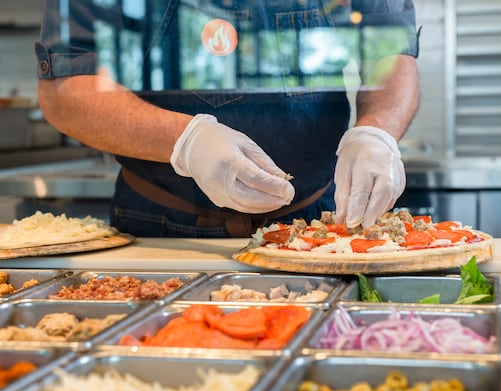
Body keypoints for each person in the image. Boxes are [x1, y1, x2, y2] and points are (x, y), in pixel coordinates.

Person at [35, 0, 420, 238]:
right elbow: (66, 91)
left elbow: (390, 52)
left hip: (321, 225)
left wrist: (376, 132)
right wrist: (187, 141)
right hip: (164, 227)